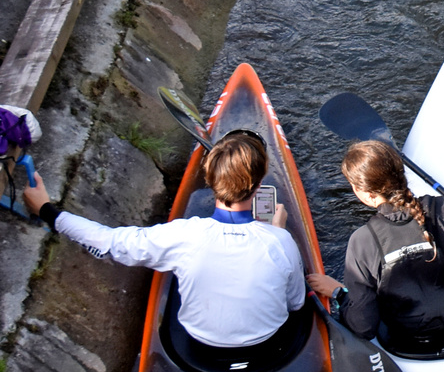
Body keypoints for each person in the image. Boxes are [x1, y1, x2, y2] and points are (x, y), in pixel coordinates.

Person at [24, 131, 307, 352]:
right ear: (258, 187)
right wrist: (277, 231)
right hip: (267, 342)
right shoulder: (280, 241)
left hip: (200, 342)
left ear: (210, 180)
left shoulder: (180, 235)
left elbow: (107, 241)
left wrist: (47, 210)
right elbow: (295, 303)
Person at [307, 139, 444, 358]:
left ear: (364, 193)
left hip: (410, 345)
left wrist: (340, 293)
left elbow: (362, 326)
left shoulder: (362, 241)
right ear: (401, 174)